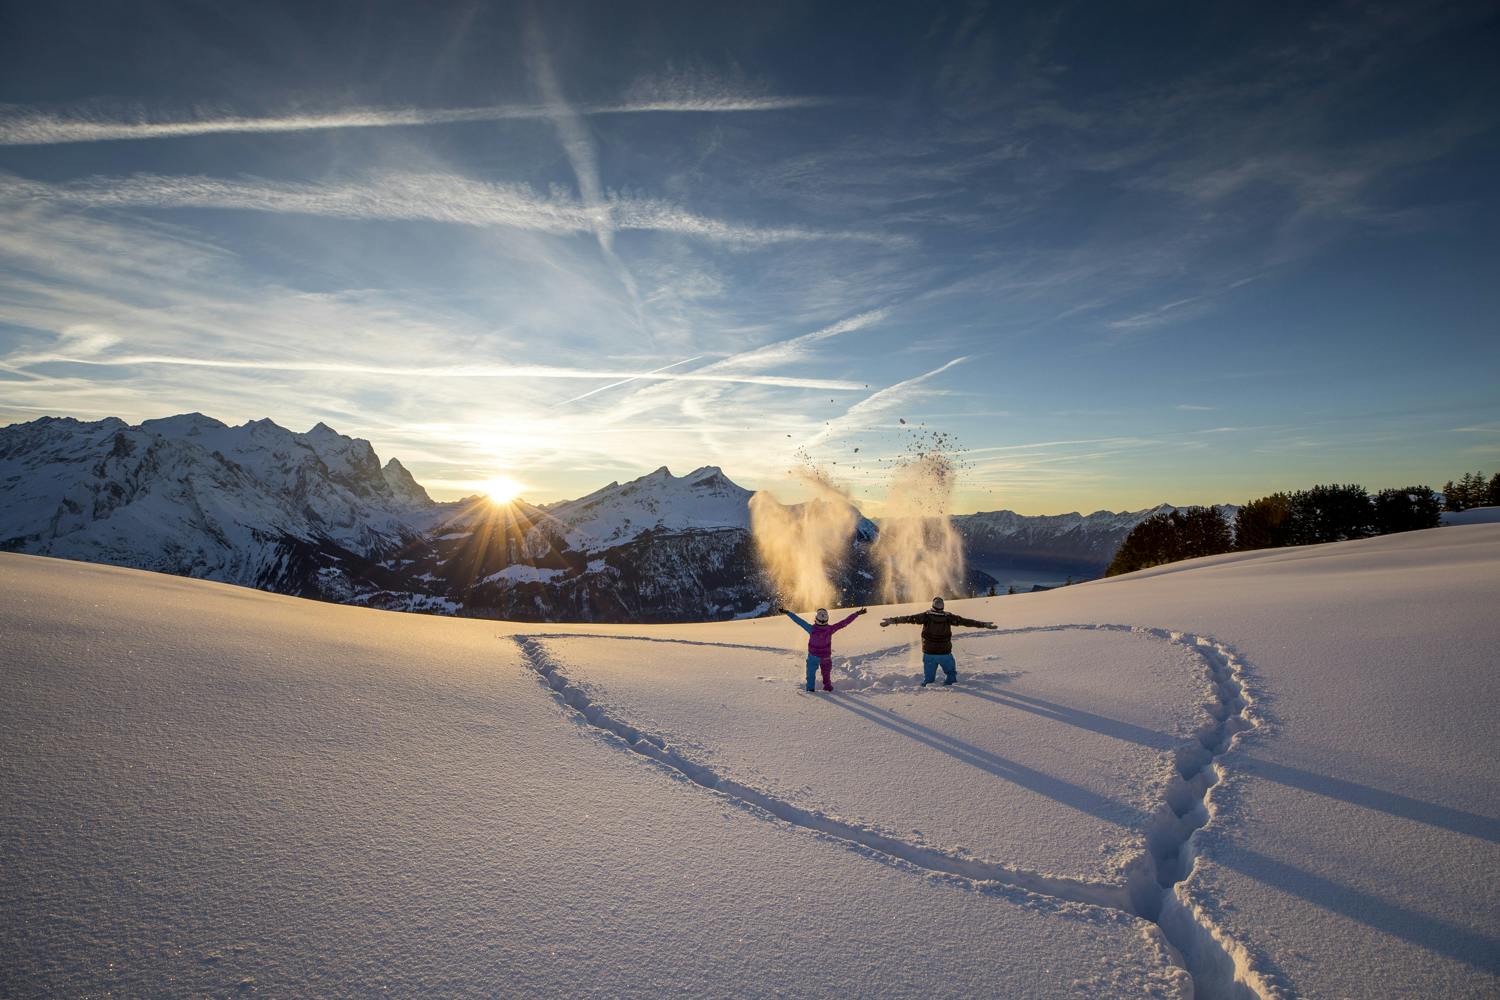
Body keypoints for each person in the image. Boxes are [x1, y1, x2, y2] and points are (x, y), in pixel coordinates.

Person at [880, 596, 996, 686]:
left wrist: (893, 620)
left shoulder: (926, 616)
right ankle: (950, 691)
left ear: (933, 606)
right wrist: (983, 624)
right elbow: (966, 622)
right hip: (945, 653)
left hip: (929, 653)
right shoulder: (948, 617)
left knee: (928, 680)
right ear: (942, 607)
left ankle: (926, 698)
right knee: (951, 676)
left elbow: (908, 618)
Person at [779, 605, 867, 692]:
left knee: (810, 675)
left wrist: (787, 613)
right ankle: (828, 689)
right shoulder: (830, 629)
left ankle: (810, 690)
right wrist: (857, 614)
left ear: (816, 619)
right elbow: (844, 622)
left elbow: (798, 620)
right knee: (826, 676)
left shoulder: (811, 629)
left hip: (813, 657)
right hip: (826, 658)